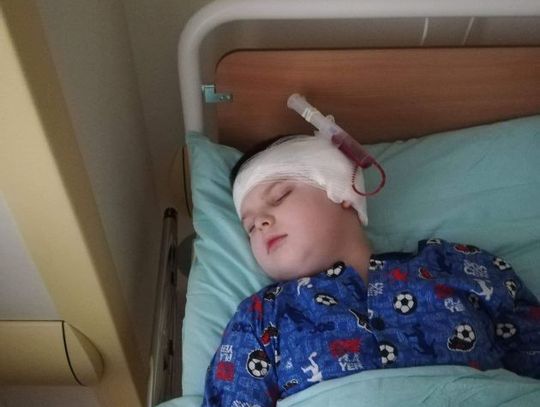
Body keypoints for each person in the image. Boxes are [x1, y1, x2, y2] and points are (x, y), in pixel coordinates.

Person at [202, 135, 540, 407]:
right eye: (249, 227)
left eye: (279, 196)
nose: (261, 223)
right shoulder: (261, 316)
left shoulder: (458, 266)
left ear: (343, 193)